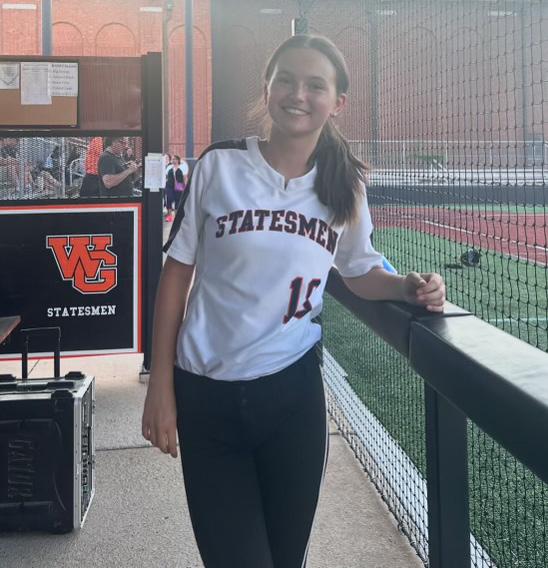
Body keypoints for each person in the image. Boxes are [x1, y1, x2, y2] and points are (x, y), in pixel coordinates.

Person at [141, 34, 446, 568]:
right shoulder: (220, 166)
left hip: (291, 399)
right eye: (285, 80)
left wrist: (407, 286)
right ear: (267, 88)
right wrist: (160, 387)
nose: (297, 94)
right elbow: (176, 274)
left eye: (314, 85)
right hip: (206, 398)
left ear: (337, 101)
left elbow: (359, 270)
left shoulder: (344, 185)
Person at [164, 154, 186, 222]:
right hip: (169, 186)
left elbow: (185, 178)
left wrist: (185, 186)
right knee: (169, 200)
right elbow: (166, 176)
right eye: (173, 159)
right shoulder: (169, 167)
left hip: (179, 187)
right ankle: (169, 217)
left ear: (178, 160)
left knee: (177, 201)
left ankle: (177, 217)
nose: (173, 160)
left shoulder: (182, 167)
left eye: (175, 159)